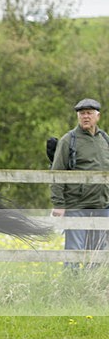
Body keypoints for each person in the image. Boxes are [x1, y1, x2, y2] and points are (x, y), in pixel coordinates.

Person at [50, 98, 109, 266]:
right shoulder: (68, 140)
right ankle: (71, 286)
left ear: (98, 116)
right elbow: (56, 173)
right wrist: (59, 204)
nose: (85, 117)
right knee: (74, 252)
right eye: (82, 113)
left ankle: (92, 287)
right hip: (77, 206)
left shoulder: (104, 139)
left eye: (89, 113)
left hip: (102, 205)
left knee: (99, 252)